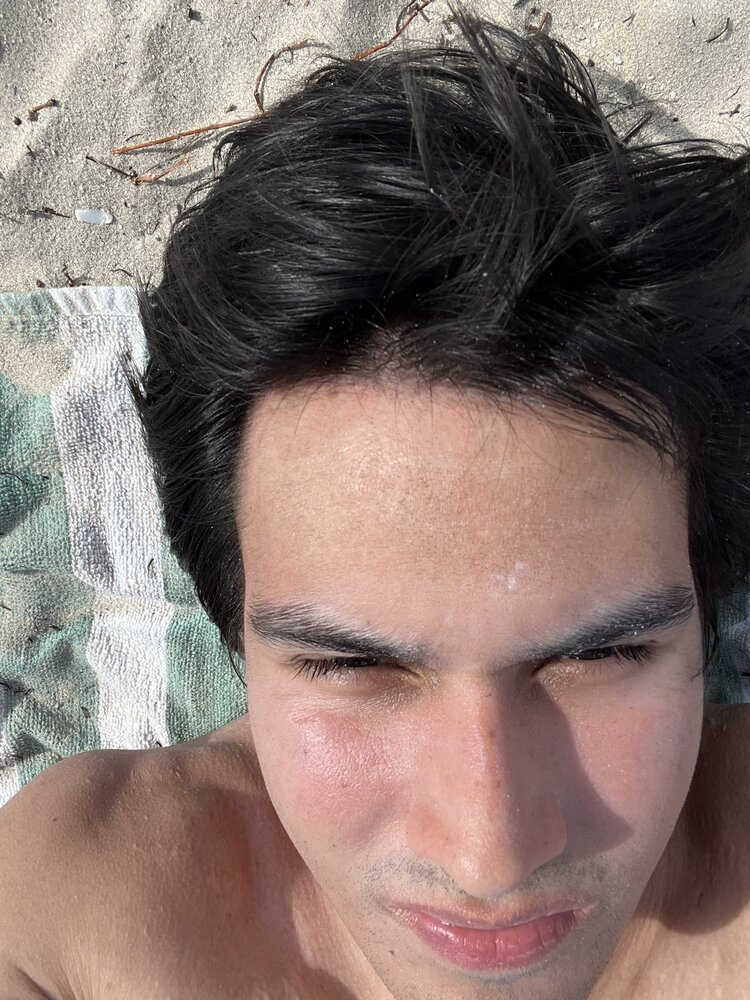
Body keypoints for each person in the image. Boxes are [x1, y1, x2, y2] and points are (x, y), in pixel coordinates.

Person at [1, 5, 749, 998]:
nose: (490, 858)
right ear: (235, 635)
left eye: (599, 654)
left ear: (708, 614)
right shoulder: (73, 923)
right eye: (353, 664)